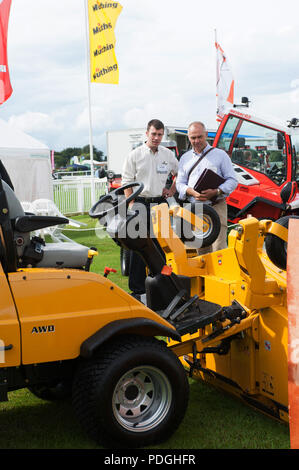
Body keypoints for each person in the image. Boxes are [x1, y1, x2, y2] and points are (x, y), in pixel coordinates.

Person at [122, 119, 178, 300]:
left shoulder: (167, 155)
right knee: (138, 247)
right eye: (153, 134)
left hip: (160, 204)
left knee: (161, 246)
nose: (156, 138)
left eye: (160, 135)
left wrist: (171, 190)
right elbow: (126, 182)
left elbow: (179, 174)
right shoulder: (135, 155)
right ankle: (137, 290)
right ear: (147, 133)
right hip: (139, 203)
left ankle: (161, 284)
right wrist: (131, 205)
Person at [176, 121, 238, 252]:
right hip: (195, 210)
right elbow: (179, 184)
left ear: (206, 135)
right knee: (201, 252)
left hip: (217, 207)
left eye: (199, 137)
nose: (196, 141)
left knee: (219, 250)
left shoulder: (220, 155)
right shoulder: (185, 158)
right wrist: (191, 192)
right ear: (188, 137)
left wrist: (216, 191)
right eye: (193, 138)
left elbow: (232, 180)